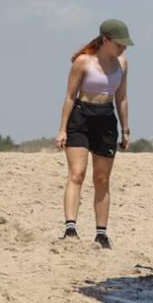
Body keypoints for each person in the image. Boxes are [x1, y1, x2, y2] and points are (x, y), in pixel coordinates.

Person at [55, 18, 133, 248]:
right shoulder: (83, 62)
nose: (123, 47)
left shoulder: (123, 63)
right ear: (106, 40)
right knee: (77, 173)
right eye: (120, 43)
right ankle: (70, 227)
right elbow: (70, 97)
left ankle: (101, 232)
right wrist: (62, 130)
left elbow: (122, 97)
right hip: (81, 117)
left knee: (102, 179)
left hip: (106, 118)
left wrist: (125, 128)